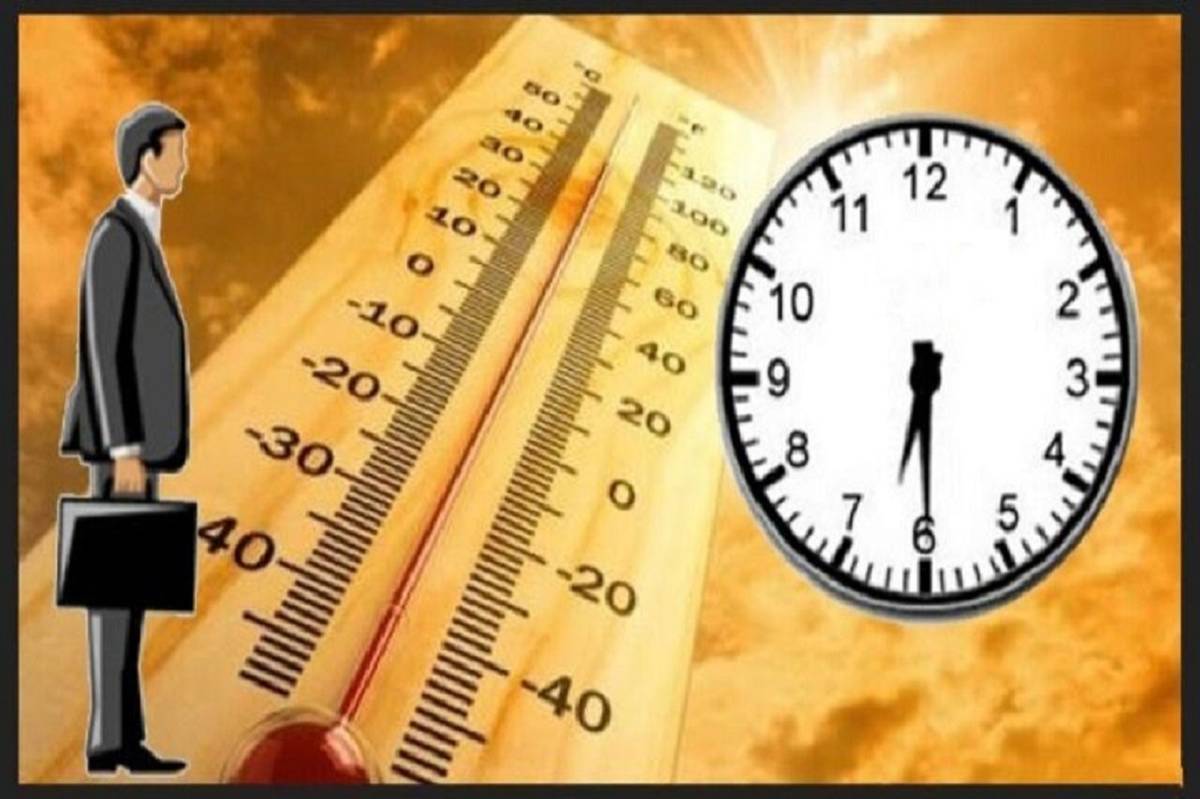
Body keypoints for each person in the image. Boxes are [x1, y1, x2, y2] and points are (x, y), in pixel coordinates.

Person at [59, 102, 192, 775]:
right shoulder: (116, 233)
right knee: (114, 590)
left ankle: (123, 738)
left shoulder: (145, 231)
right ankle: (109, 740)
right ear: (147, 156)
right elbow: (100, 348)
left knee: (131, 587)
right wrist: (123, 448)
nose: (184, 164)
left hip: (144, 444)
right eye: (176, 150)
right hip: (125, 448)